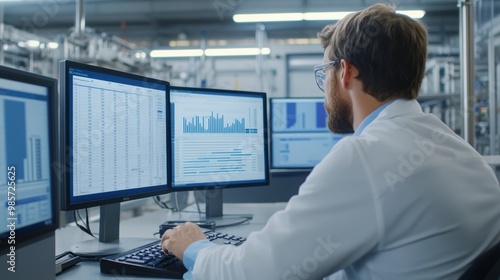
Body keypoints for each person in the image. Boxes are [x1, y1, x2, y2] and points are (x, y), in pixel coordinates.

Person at [162, 3, 500, 279]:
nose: (324, 89)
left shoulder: (365, 156)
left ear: (346, 72)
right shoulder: (460, 151)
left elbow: (255, 273)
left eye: (324, 74)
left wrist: (194, 248)